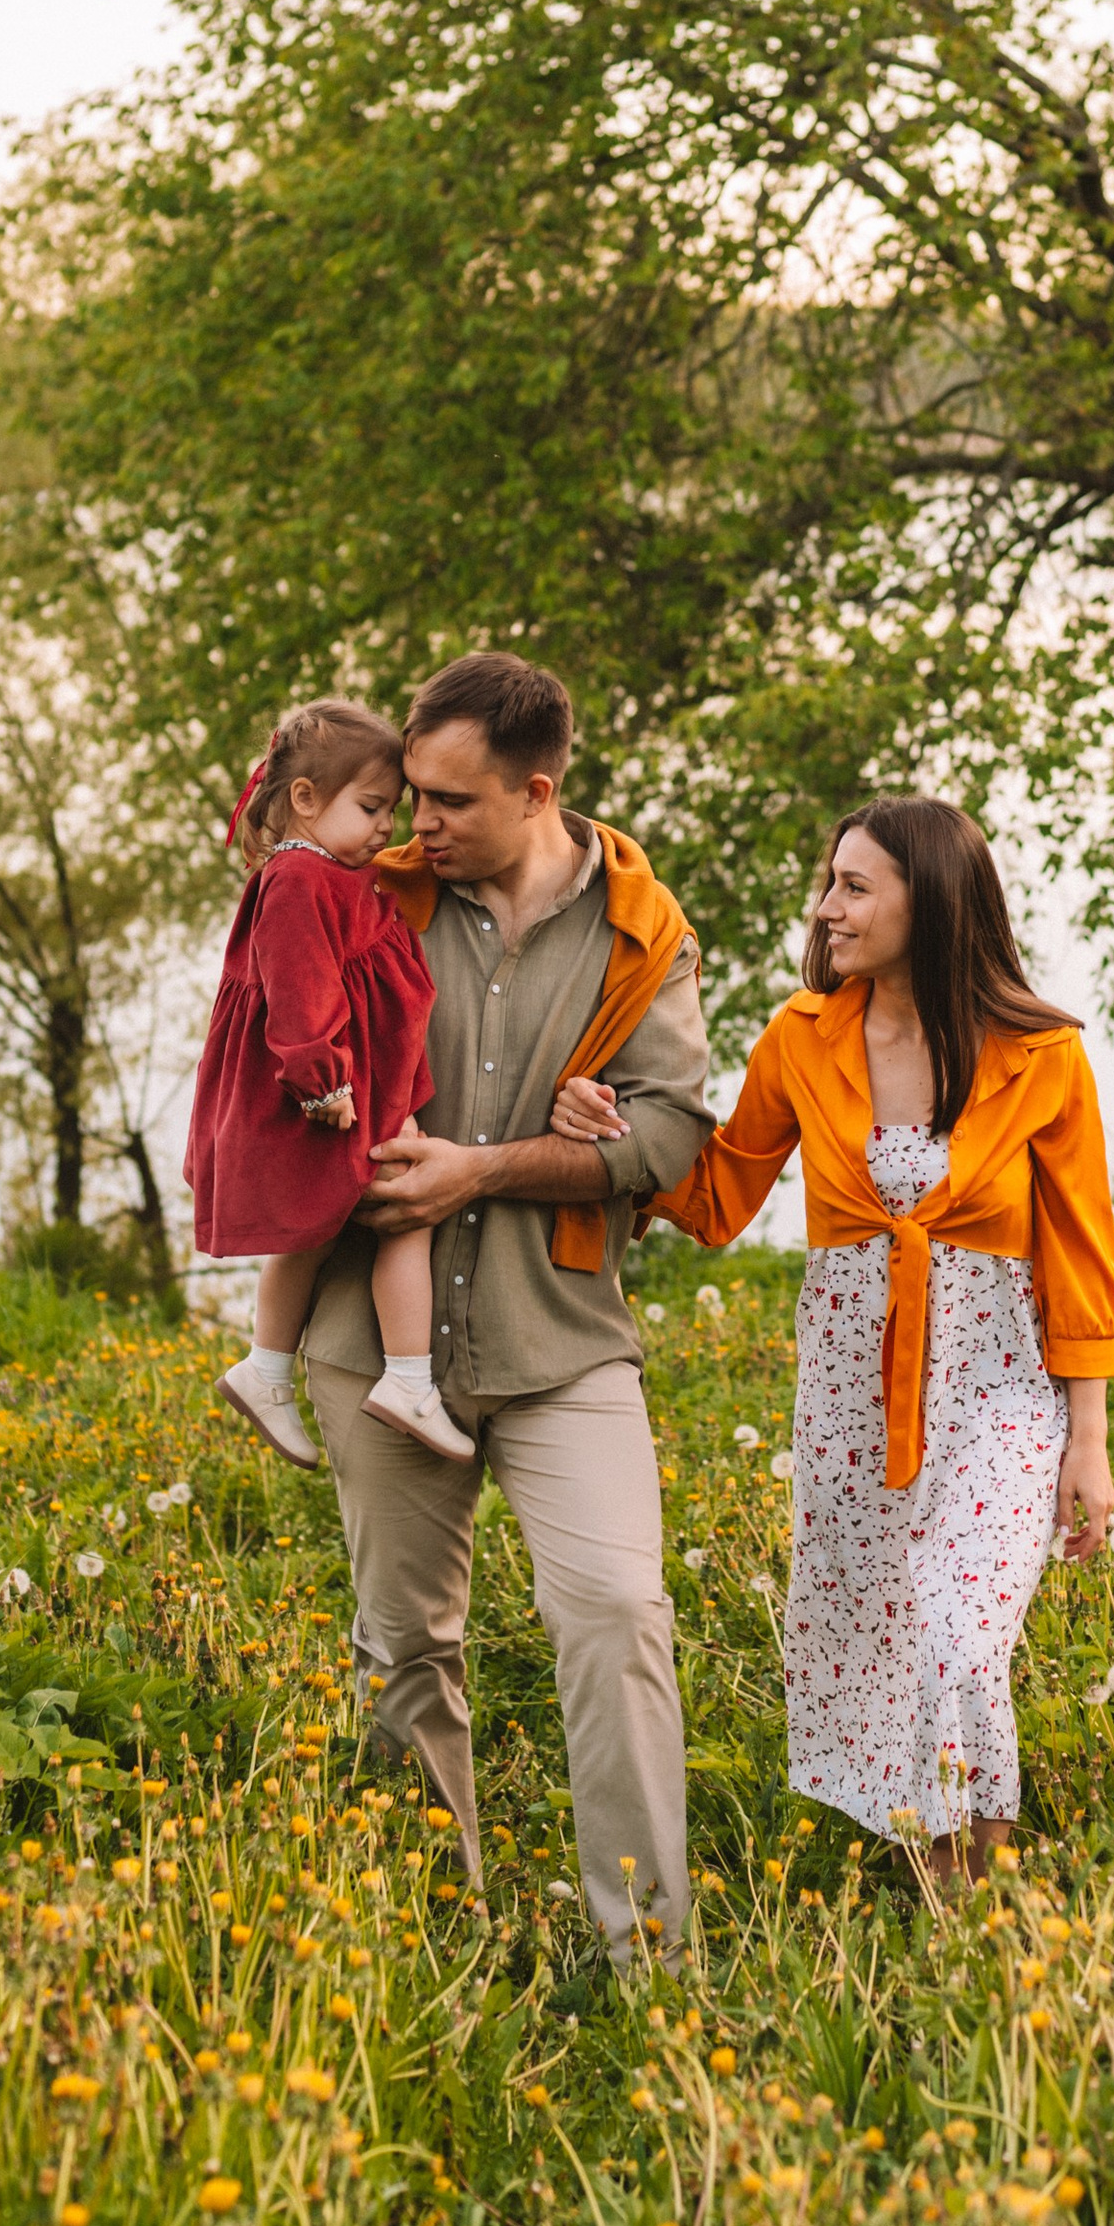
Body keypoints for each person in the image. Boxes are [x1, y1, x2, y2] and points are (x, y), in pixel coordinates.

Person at [567, 795, 1114, 1880]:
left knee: (962, 1642)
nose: (826, 909)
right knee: (878, 1639)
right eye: (829, 883)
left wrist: (1087, 1439)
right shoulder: (800, 1036)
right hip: (851, 1400)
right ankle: (931, 1894)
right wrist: (617, 1135)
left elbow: (1080, 1253)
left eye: (854, 886)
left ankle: (978, 1914)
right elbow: (722, 1192)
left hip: (1002, 1391)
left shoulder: (1043, 1055)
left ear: (936, 900)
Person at [298, 652, 714, 1957]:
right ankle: (426, 1944)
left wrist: (490, 1164)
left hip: (565, 1337)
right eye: (408, 793)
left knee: (617, 1614)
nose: (415, 821)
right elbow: (273, 1052)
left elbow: (671, 1139)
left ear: (536, 795)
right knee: (403, 1644)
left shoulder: (645, 930)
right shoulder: (365, 894)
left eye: (450, 803)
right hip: (375, 1340)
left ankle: (646, 1959)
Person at [188, 695, 476, 1469]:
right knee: (402, 1214)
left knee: (320, 1234)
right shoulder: (296, 878)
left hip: (365, 1091)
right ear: (306, 801)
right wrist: (322, 1083)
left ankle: (269, 1368)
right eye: (373, 807)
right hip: (329, 1100)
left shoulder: (340, 873)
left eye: (394, 809)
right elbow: (298, 990)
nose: (389, 827)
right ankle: (405, 1379)